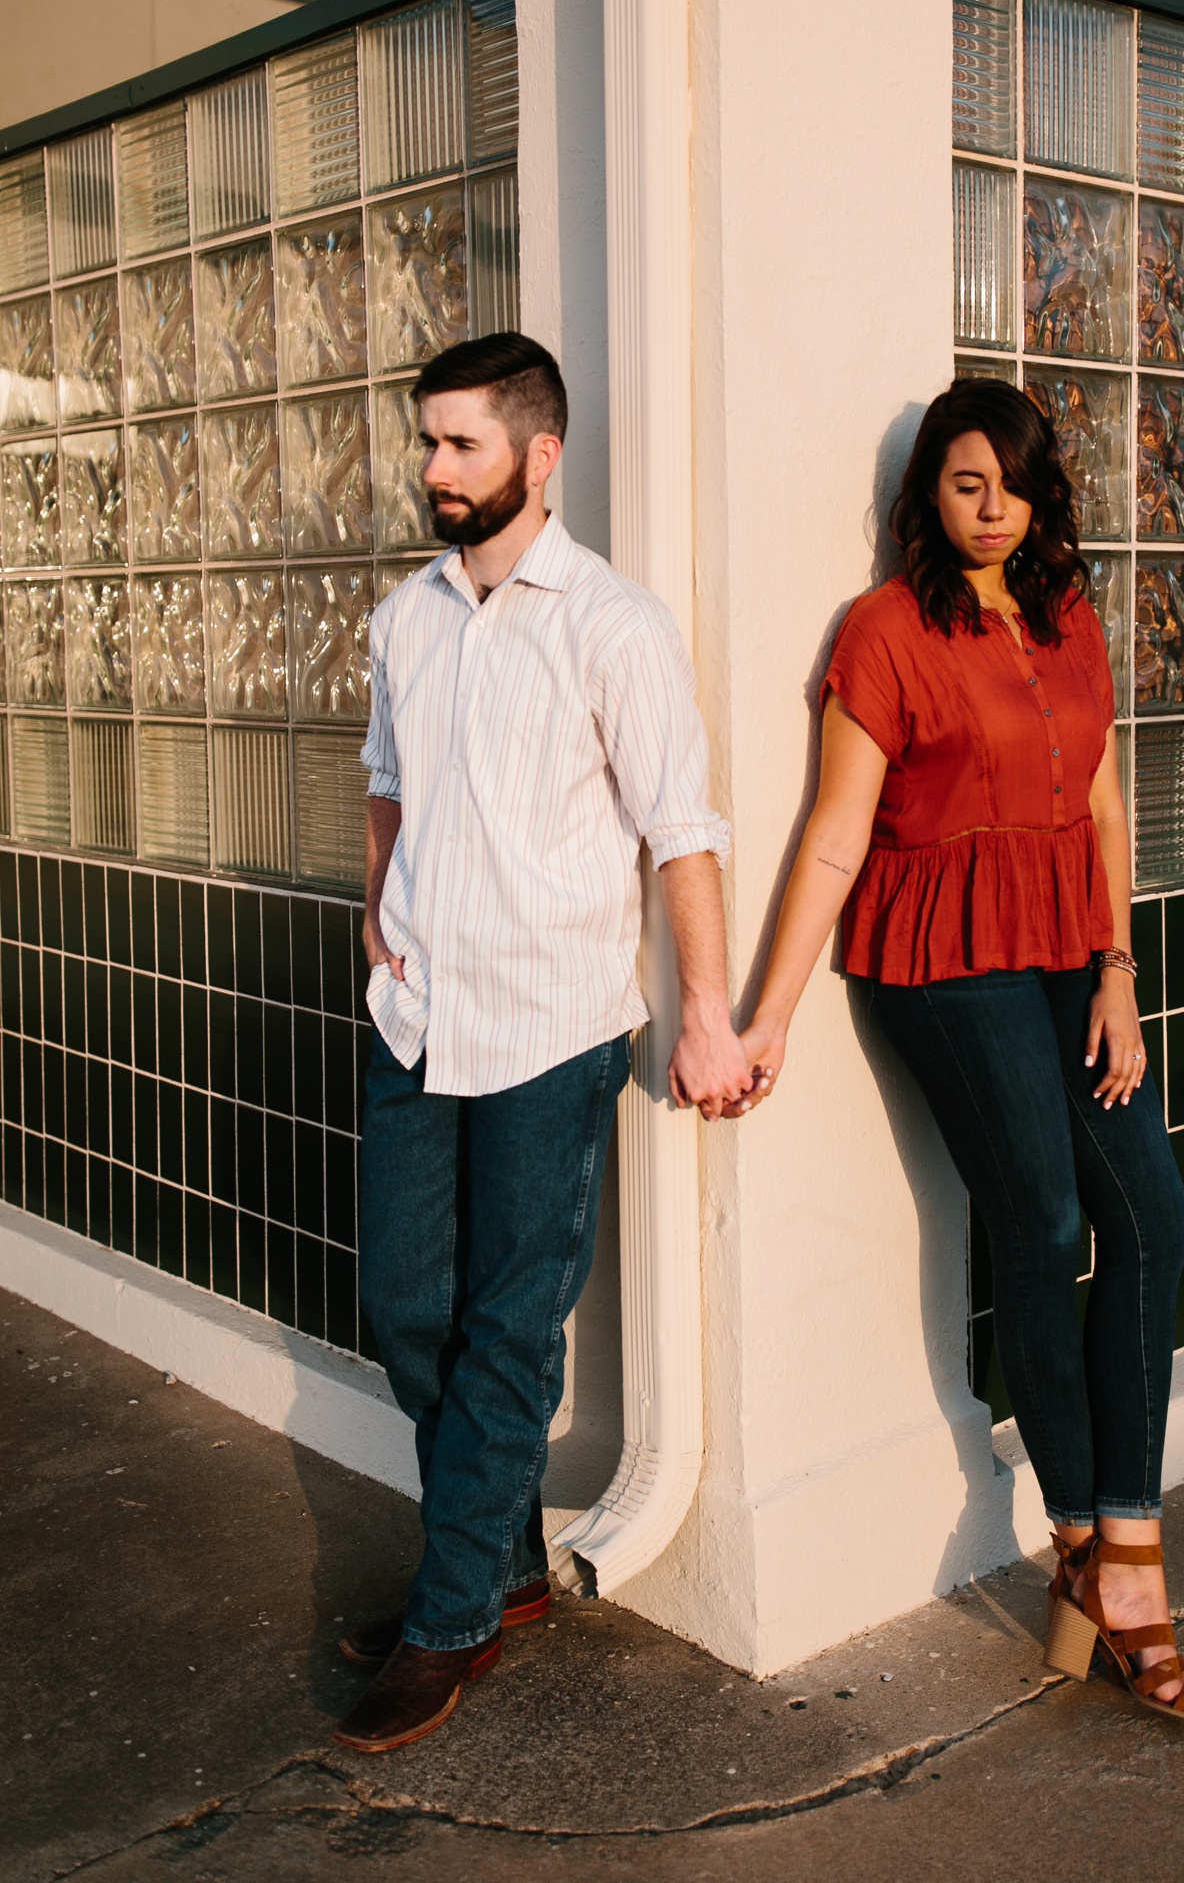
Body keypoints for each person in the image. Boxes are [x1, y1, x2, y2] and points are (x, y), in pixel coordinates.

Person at [727, 380, 1184, 1728]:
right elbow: (838, 831)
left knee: (1154, 1219)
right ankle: (1104, 1558)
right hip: (941, 960)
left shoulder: (1066, 611)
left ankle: (1122, 1535)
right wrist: (767, 1009)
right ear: (927, 498)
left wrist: (1122, 975)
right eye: (963, 481)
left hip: (1070, 949)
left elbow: (1105, 796)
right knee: (1043, 1213)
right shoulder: (884, 632)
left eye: (1009, 479)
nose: (989, 502)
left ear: (1039, 490)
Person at [334, 332, 752, 1755]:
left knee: (512, 1324)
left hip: (552, 1025)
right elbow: (387, 782)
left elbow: (681, 827)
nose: (433, 467)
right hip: (420, 1012)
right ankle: (499, 1562)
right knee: (406, 1307)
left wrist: (708, 1010)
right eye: (429, 441)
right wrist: (374, 906)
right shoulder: (405, 618)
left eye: (460, 443)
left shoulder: (614, 625)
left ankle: (452, 1615)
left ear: (539, 452)